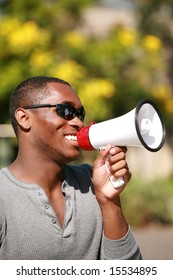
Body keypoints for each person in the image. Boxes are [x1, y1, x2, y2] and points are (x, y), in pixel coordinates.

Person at [0, 76, 142, 260]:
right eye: (65, 110)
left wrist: (109, 201)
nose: (78, 122)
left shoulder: (93, 181)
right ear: (24, 118)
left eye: (79, 113)